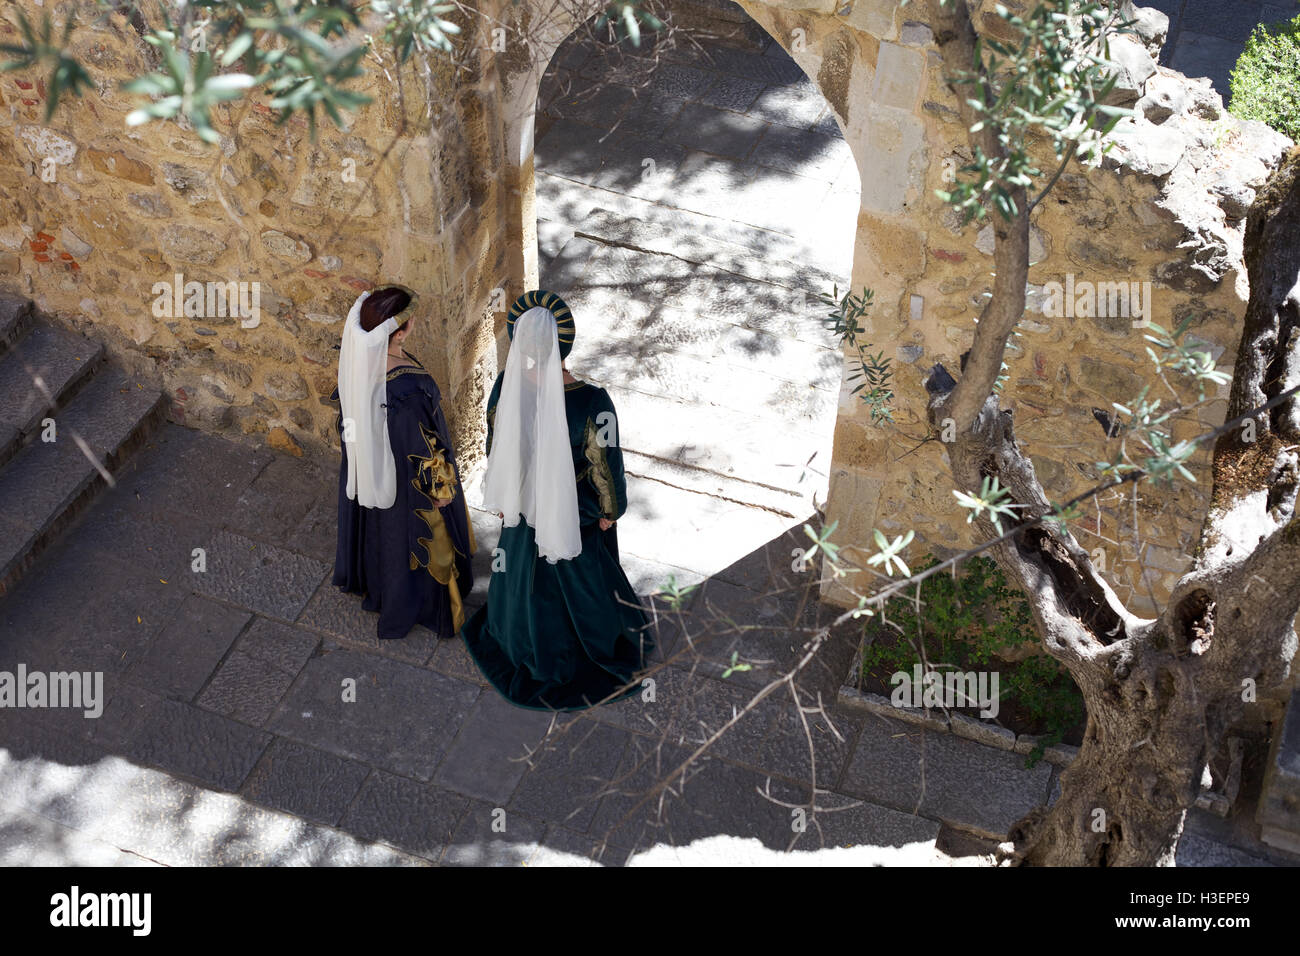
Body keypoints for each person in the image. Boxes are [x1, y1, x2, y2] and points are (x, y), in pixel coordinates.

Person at [461, 290, 654, 710]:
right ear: (566, 342)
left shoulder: (504, 388)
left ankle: (516, 637)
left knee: (516, 579)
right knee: (584, 587)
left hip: (521, 512)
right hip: (572, 520)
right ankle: (587, 649)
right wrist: (610, 511)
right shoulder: (592, 403)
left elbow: (496, 445)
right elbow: (606, 464)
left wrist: (503, 496)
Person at [332, 285, 474, 640]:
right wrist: (441, 490)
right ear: (401, 330)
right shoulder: (408, 389)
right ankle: (420, 602)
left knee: (381, 529)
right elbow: (424, 446)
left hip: (369, 466)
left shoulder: (357, 362)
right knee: (408, 533)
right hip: (407, 479)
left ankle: (376, 582)